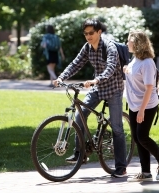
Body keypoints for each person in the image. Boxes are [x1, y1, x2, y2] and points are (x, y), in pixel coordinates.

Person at [53, 18, 127, 178]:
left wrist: (96, 80)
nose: (88, 36)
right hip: (98, 87)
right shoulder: (87, 47)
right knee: (80, 115)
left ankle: (121, 166)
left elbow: (111, 67)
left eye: (91, 33)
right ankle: (81, 154)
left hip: (113, 88)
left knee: (117, 128)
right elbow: (75, 64)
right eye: (85, 33)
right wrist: (61, 78)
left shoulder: (109, 46)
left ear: (99, 32)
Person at [124, 29, 159, 182]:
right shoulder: (135, 59)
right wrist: (126, 70)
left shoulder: (148, 63)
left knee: (142, 136)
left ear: (137, 43)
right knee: (137, 139)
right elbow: (133, 73)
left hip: (147, 105)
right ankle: (146, 173)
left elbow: (149, 87)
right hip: (134, 105)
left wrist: (142, 110)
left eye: (129, 40)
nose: (127, 43)